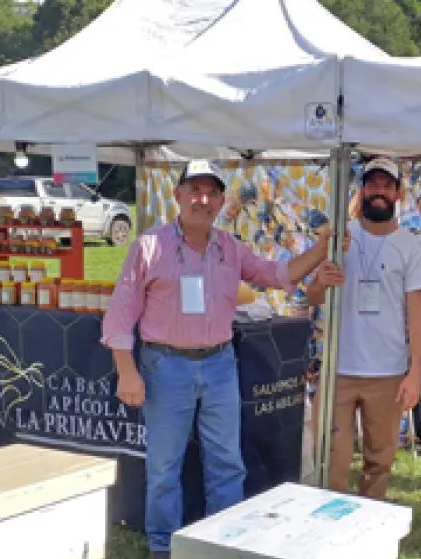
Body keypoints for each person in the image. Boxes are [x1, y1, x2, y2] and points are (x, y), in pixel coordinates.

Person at [101, 160, 332, 559]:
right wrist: (127, 371)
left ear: (222, 201)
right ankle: (162, 547)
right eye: (195, 190)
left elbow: (278, 274)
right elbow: (121, 313)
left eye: (211, 192)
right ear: (178, 195)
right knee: (163, 470)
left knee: (227, 463)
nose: (202, 199)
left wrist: (322, 250)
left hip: (220, 365)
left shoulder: (230, 248)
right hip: (165, 366)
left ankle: (220, 544)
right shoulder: (149, 246)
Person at [307, 157, 421, 500]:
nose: (379, 192)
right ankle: (328, 535)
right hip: (339, 370)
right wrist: (320, 279)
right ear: (361, 191)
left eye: (386, 185)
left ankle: (366, 533)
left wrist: (414, 372)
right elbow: (313, 297)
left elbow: (417, 312)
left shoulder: (411, 245)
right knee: (332, 459)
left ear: (397, 193)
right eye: (372, 184)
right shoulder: (339, 237)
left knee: (379, 461)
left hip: (388, 372)